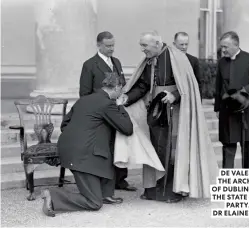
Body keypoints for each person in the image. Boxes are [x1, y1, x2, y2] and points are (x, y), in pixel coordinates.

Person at [118, 31, 219, 203]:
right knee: (154, 147)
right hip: (154, 112)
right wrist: (128, 98)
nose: (142, 49)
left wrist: (174, 95)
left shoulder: (177, 57)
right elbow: (142, 84)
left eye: (145, 46)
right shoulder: (149, 60)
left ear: (157, 43)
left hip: (175, 111)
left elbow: (187, 85)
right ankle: (152, 190)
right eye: (141, 45)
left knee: (172, 150)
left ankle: (172, 190)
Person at [41, 72, 133, 217]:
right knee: (94, 203)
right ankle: (53, 196)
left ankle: (106, 194)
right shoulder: (108, 104)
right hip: (82, 156)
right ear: (117, 87)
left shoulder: (84, 99)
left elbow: (65, 124)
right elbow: (127, 129)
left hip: (68, 148)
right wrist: (120, 106)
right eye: (121, 90)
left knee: (106, 151)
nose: (121, 93)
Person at [79, 31, 136, 191]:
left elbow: (122, 84)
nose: (111, 49)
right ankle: (106, 182)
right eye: (108, 46)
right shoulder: (90, 65)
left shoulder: (116, 62)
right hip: (100, 114)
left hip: (116, 111)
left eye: (113, 45)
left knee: (120, 144)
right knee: (106, 147)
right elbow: (84, 93)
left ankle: (121, 180)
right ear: (98, 45)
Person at [214, 31, 249, 169]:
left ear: (236, 45)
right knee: (228, 149)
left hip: (247, 112)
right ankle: (227, 185)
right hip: (227, 112)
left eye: (226, 47)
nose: (223, 50)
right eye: (222, 47)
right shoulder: (221, 62)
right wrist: (218, 108)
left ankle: (247, 184)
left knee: (248, 151)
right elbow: (218, 86)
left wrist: (244, 91)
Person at [173, 32, 202, 98]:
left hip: (189, 97)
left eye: (186, 44)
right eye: (181, 44)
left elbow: (198, 84)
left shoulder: (193, 60)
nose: (184, 47)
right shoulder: (169, 60)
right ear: (174, 44)